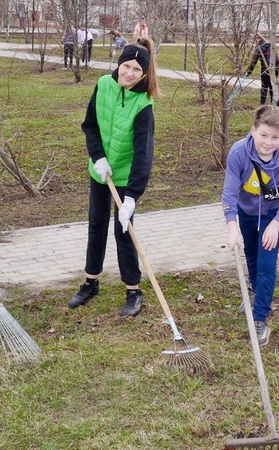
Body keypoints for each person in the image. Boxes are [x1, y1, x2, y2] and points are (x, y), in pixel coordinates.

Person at [68, 39, 160, 317]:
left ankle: (133, 290)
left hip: (125, 177)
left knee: (124, 232)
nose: (129, 73)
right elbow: (90, 124)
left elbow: (144, 153)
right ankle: (90, 282)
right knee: (96, 226)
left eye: (136, 70)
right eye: (126, 66)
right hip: (101, 171)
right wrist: (98, 157)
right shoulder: (103, 85)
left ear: (144, 74)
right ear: (119, 64)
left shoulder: (144, 105)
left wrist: (132, 195)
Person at [222, 104, 279, 346]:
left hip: (272, 213)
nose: (268, 142)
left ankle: (260, 318)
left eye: (275, 137)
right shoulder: (238, 153)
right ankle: (256, 292)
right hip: (245, 210)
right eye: (263, 135)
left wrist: (277, 223)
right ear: (253, 130)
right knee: (252, 253)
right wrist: (231, 226)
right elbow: (229, 193)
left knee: (266, 262)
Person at [245, 34, 279, 105]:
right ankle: (274, 103)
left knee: (264, 86)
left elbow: (253, 62)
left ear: (257, 40)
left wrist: (248, 73)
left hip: (265, 69)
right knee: (272, 85)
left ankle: (262, 104)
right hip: (275, 68)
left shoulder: (259, 48)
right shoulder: (270, 45)